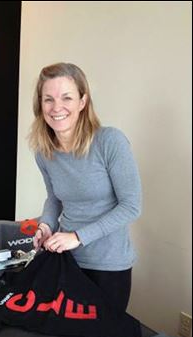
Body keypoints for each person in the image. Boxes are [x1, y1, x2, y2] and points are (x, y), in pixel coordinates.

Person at [30, 62, 142, 314]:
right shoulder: (43, 151)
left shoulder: (110, 141)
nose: (56, 107)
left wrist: (78, 237)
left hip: (108, 265)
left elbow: (131, 207)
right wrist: (45, 226)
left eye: (66, 97)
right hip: (66, 262)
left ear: (83, 101)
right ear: (40, 105)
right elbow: (54, 199)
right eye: (48, 99)